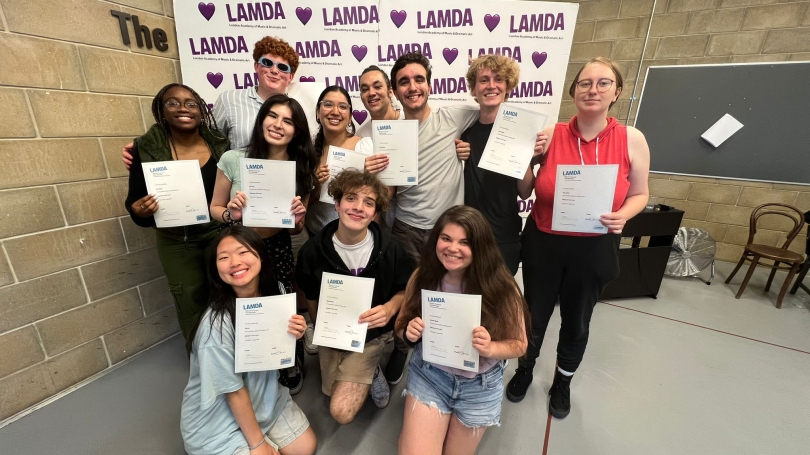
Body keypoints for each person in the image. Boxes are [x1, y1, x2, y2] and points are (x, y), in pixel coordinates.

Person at [506, 57, 651, 420]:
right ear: (573, 91)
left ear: (616, 92)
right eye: (585, 83)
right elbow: (525, 189)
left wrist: (625, 215)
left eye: (603, 83)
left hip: (594, 246)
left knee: (577, 321)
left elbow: (641, 193)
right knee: (533, 316)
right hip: (544, 243)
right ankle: (525, 369)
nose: (593, 89)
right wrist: (527, 157)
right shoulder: (551, 133)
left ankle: (562, 382)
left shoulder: (632, 139)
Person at [395, 205, 528, 455]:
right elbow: (400, 325)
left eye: (464, 242)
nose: (452, 248)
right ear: (436, 240)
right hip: (430, 374)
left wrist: (491, 347)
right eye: (446, 238)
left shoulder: (502, 286)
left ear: (479, 247)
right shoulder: (422, 276)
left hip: (480, 384)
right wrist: (408, 333)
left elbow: (520, 344)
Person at [210, 94, 317, 394]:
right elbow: (215, 208)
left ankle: (289, 361)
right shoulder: (234, 158)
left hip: (278, 246)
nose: (278, 125)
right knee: (245, 308)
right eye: (273, 116)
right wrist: (231, 213)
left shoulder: (301, 169)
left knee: (283, 307)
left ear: (297, 130)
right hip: (242, 247)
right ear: (261, 120)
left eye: (288, 121)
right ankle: (253, 361)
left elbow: (297, 229)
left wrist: (299, 217)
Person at [180, 226, 317, 455]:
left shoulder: (277, 292)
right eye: (223, 257)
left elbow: (275, 351)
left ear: (260, 255)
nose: (234, 262)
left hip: (266, 395)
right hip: (219, 417)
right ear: (215, 269)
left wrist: (295, 332)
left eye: (243, 252)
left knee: (305, 448)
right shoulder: (215, 326)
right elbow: (232, 390)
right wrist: (257, 444)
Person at [296, 170, 413, 424]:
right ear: (337, 204)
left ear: (375, 213)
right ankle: (365, 370)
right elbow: (311, 296)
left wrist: (390, 308)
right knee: (328, 390)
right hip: (334, 331)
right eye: (351, 198)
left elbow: (406, 289)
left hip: (371, 333)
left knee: (341, 411)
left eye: (368, 203)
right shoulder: (312, 252)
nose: (359, 208)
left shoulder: (391, 248)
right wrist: (321, 330)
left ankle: (372, 369)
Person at [124, 83, 230, 350]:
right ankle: (201, 358)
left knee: (227, 296)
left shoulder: (220, 145)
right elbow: (135, 202)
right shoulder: (146, 148)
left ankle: (232, 355)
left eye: (190, 103)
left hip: (219, 236)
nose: (183, 108)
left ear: (201, 110)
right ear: (161, 109)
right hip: (177, 241)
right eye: (172, 102)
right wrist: (139, 210)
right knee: (190, 302)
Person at [121, 36, 298, 165]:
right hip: (235, 190)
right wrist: (147, 145)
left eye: (282, 67)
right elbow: (202, 135)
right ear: (256, 66)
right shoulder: (230, 99)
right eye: (267, 63)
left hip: (280, 189)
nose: (274, 70)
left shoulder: (298, 109)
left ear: (290, 77)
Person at [458, 55, 548, 275]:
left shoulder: (522, 132)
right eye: (483, 80)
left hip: (505, 236)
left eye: (498, 79)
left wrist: (524, 154)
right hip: (470, 233)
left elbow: (526, 192)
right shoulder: (465, 133)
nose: (491, 86)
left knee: (498, 304)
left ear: (508, 87)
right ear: (473, 89)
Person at [303, 86, 374, 354]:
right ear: (319, 111)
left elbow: (374, 193)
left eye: (342, 106)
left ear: (350, 113)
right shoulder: (308, 149)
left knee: (355, 293)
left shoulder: (363, 146)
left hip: (354, 235)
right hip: (318, 233)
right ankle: (325, 333)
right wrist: (313, 182)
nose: (335, 111)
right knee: (324, 290)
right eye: (328, 105)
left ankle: (363, 345)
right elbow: (303, 197)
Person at [355, 65, 403, 139]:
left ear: (390, 92)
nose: (371, 93)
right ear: (361, 97)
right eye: (365, 89)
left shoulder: (410, 121)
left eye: (377, 87)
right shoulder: (361, 136)